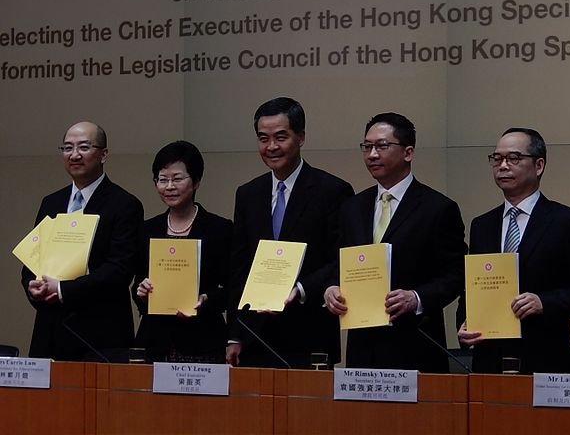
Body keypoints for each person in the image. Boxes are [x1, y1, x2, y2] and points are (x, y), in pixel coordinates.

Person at [457, 128, 570, 374]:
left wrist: (544, 302)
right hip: (489, 361)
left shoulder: (566, 221)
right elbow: (471, 287)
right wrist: (465, 323)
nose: (503, 166)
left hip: (545, 357)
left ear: (538, 165)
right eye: (497, 159)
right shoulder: (482, 225)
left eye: (514, 158)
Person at [324, 113, 467, 372]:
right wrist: (332, 287)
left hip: (416, 345)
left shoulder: (438, 208)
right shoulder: (352, 207)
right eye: (367, 146)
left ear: (408, 152)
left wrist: (417, 297)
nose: (372, 154)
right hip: (362, 348)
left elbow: (456, 274)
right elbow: (338, 262)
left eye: (382, 146)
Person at [226, 97, 354, 369]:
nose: (271, 147)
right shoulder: (248, 194)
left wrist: (301, 288)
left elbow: (340, 258)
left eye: (280, 137)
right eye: (263, 138)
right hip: (255, 335)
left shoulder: (332, 190)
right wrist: (234, 334)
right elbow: (239, 267)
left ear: (301, 137)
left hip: (309, 332)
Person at [20, 121, 143, 361]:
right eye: (67, 148)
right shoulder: (51, 203)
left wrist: (63, 289)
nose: (74, 155)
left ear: (104, 154)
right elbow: (32, 260)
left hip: (100, 337)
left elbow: (119, 270)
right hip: (50, 333)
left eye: (84, 147)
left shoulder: (124, 204)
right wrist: (32, 287)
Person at [133, 141, 232, 363]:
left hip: (203, 342)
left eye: (177, 179)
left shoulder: (219, 229)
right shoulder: (147, 230)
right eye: (162, 179)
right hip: (154, 342)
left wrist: (206, 300)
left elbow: (232, 287)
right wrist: (141, 292)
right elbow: (137, 283)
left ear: (196, 181)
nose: (169, 186)